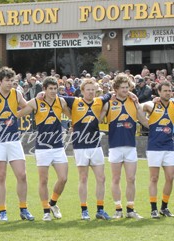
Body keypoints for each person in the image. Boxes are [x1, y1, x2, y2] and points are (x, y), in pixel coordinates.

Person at [0, 66, 34, 221]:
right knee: (1, 176)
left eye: (12, 80)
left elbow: (28, 107)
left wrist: (16, 115)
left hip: (13, 139)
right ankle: (2, 210)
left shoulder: (16, 94)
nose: (10, 83)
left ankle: (23, 208)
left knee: (22, 175)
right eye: (7, 80)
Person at [18, 76, 70, 221]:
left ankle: (53, 203)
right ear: (44, 90)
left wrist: (76, 125)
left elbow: (72, 115)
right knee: (43, 180)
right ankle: (46, 210)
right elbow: (20, 112)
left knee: (63, 178)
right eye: (51, 89)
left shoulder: (61, 101)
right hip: (42, 148)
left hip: (58, 146)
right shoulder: (36, 102)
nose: (54, 91)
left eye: (56, 89)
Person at [100, 74, 148, 220]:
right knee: (115, 178)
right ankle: (118, 209)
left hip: (130, 146)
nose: (125, 90)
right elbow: (98, 118)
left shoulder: (133, 102)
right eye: (122, 88)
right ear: (116, 88)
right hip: (115, 146)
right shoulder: (109, 103)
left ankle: (131, 209)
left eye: (127, 87)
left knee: (131, 178)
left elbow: (144, 121)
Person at [64, 79, 112, 220]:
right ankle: (84, 209)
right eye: (88, 89)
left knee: (101, 178)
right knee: (83, 178)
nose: (91, 92)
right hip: (80, 146)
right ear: (82, 90)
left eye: (93, 90)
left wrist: (100, 117)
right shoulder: (74, 101)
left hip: (95, 145)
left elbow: (110, 95)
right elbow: (57, 98)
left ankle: (100, 209)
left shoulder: (99, 101)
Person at [141, 81, 174, 218]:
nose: (167, 92)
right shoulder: (152, 105)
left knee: (170, 177)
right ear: (159, 92)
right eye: (165, 90)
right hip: (154, 147)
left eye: (169, 90)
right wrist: (146, 123)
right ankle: (153, 208)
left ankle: (164, 207)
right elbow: (139, 107)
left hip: (169, 147)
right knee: (154, 178)